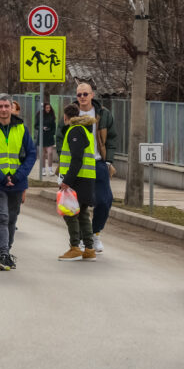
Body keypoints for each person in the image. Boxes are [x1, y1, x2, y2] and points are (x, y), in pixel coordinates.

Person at [0, 94, 38, 271]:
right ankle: (3, 254)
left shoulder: (21, 128)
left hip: (17, 182)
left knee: (12, 219)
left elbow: (31, 154)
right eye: (0, 106)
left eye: (6, 106)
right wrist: (1, 177)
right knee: (2, 217)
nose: (3, 110)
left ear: (12, 108)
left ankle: (7, 251)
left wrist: (18, 176)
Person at [55, 82, 116, 254]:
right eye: (79, 94)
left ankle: (94, 234)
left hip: (97, 162)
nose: (82, 97)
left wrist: (109, 160)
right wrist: (62, 156)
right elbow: (60, 135)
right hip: (75, 166)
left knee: (104, 201)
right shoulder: (70, 113)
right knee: (76, 207)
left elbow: (111, 137)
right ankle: (83, 241)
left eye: (85, 94)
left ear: (92, 95)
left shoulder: (103, 114)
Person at [57, 104, 97, 261]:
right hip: (85, 178)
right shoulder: (85, 130)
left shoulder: (75, 131)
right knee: (83, 214)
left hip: (78, 179)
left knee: (70, 212)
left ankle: (75, 247)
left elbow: (76, 158)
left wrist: (67, 181)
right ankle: (89, 248)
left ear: (66, 117)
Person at [36, 102, 57, 175]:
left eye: (49, 108)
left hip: (49, 137)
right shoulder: (39, 116)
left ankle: (50, 170)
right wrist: (42, 128)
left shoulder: (52, 116)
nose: (48, 109)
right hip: (42, 136)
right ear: (44, 108)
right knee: (43, 155)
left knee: (50, 153)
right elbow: (36, 126)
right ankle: (43, 170)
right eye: (47, 108)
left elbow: (54, 127)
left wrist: (52, 133)